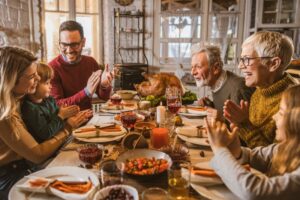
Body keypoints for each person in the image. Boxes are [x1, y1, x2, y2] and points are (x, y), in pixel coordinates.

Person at [0, 46, 91, 199]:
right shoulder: (5, 114)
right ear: (12, 79)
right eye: (31, 77)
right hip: (11, 177)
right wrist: (68, 127)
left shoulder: (19, 98)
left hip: (25, 167)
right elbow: (37, 154)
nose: (37, 79)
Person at [205, 84, 300, 200]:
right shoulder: (286, 147)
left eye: (280, 113)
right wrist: (236, 150)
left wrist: (219, 149)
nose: (274, 117)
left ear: (296, 122)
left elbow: (254, 191)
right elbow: (254, 156)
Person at [223, 31, 298, 148]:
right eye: (241, 59)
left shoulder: (293, 102)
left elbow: (276, 158)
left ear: (273, 64)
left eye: (246, 59)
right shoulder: (260, 89)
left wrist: (244, 125)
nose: (240, 66)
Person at [49, 20, 114, 110]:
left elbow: (104, 97)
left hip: (88, 120)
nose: (69, 50)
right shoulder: (52, 68)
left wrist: (104, 86)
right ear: (59, 43)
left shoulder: (91, 62)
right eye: (64, 45)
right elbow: (57, 105)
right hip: (66, 123)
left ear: (83, 42)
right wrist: (86, 92)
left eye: (74, 45)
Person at [191, 44, 254, 121]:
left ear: (216, 68)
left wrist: (220, 118)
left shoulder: (238, 87)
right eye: (192, 67)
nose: (192, 72)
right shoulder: (217, 84)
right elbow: (225, 111)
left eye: (198, 67)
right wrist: (211, 105)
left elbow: (244, 126)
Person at [21, 63, 80, 143]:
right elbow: (45, 133)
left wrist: (68, 113)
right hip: (50, 147)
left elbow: (59, 120)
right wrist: (61, 116)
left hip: (61, 139)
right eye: (47, 83)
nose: (51, 86)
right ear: (35, 84)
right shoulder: (29, 108)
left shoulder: (49, 99)